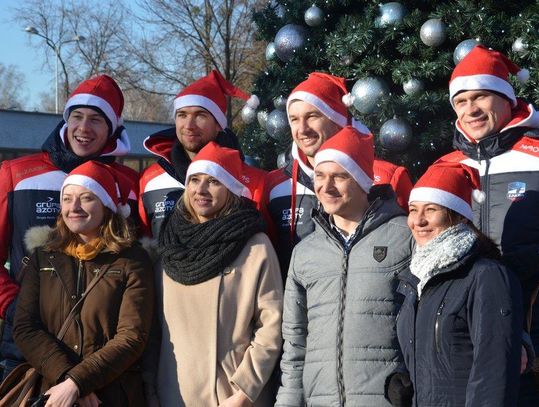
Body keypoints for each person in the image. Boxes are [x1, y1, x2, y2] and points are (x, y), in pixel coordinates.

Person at [0, 74, 139, 379]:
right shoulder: (16, 175)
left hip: (101, 344)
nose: (83, 128)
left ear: (112, 128)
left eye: (96, 120)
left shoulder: (130, 185)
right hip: (28, 341)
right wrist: (13, 306)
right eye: (77, 116)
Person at [276, 126, 413, 406]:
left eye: (339, 176)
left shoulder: (405, 236)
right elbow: (295, 342)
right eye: (320, 176)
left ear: (363, 181)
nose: (326, 187)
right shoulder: (305, 252)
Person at [436, 45, 539, 403]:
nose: (470, 110)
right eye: (461, 102)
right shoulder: (443, 168)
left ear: (506, 98)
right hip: (462, 337)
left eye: (480, 97)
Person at [150, 142, 283, 406]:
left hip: (232, 394)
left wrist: (245, 390)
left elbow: (271, 324)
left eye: (213, 182)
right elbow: (153, 330)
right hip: (174, 392)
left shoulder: (254, 245)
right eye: (195, 180)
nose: (201, 190)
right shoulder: (168, 242)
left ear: (231, 189)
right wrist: (151, 390)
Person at [12, 160, 154, 406]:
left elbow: (132, 336)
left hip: (113, 394)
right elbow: (26, 328)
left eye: (87, 198)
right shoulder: (44, 256)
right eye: (67, 199)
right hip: (52, 392)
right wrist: (69, 381)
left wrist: (78, 383)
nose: (74, 207)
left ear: (106, 204)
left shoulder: (132, 259)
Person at [387, 161, 523, 406]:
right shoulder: (416, 278)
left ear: (458, 216)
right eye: (413, 209)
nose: (418, 221)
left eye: (431, 210)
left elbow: (493, 373)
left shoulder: (486, 276)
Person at [265, 72, 413, 277]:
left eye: (312, 116)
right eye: (294, 119)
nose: (302, 129)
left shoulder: (386, 177)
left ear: (337, 119)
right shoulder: (274, 186)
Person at [139, 69, 267, 238]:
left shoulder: (254, 181)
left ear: (219, 125)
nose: (189, 125)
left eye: (200, 115)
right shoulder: (149, 180)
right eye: (182, 115)